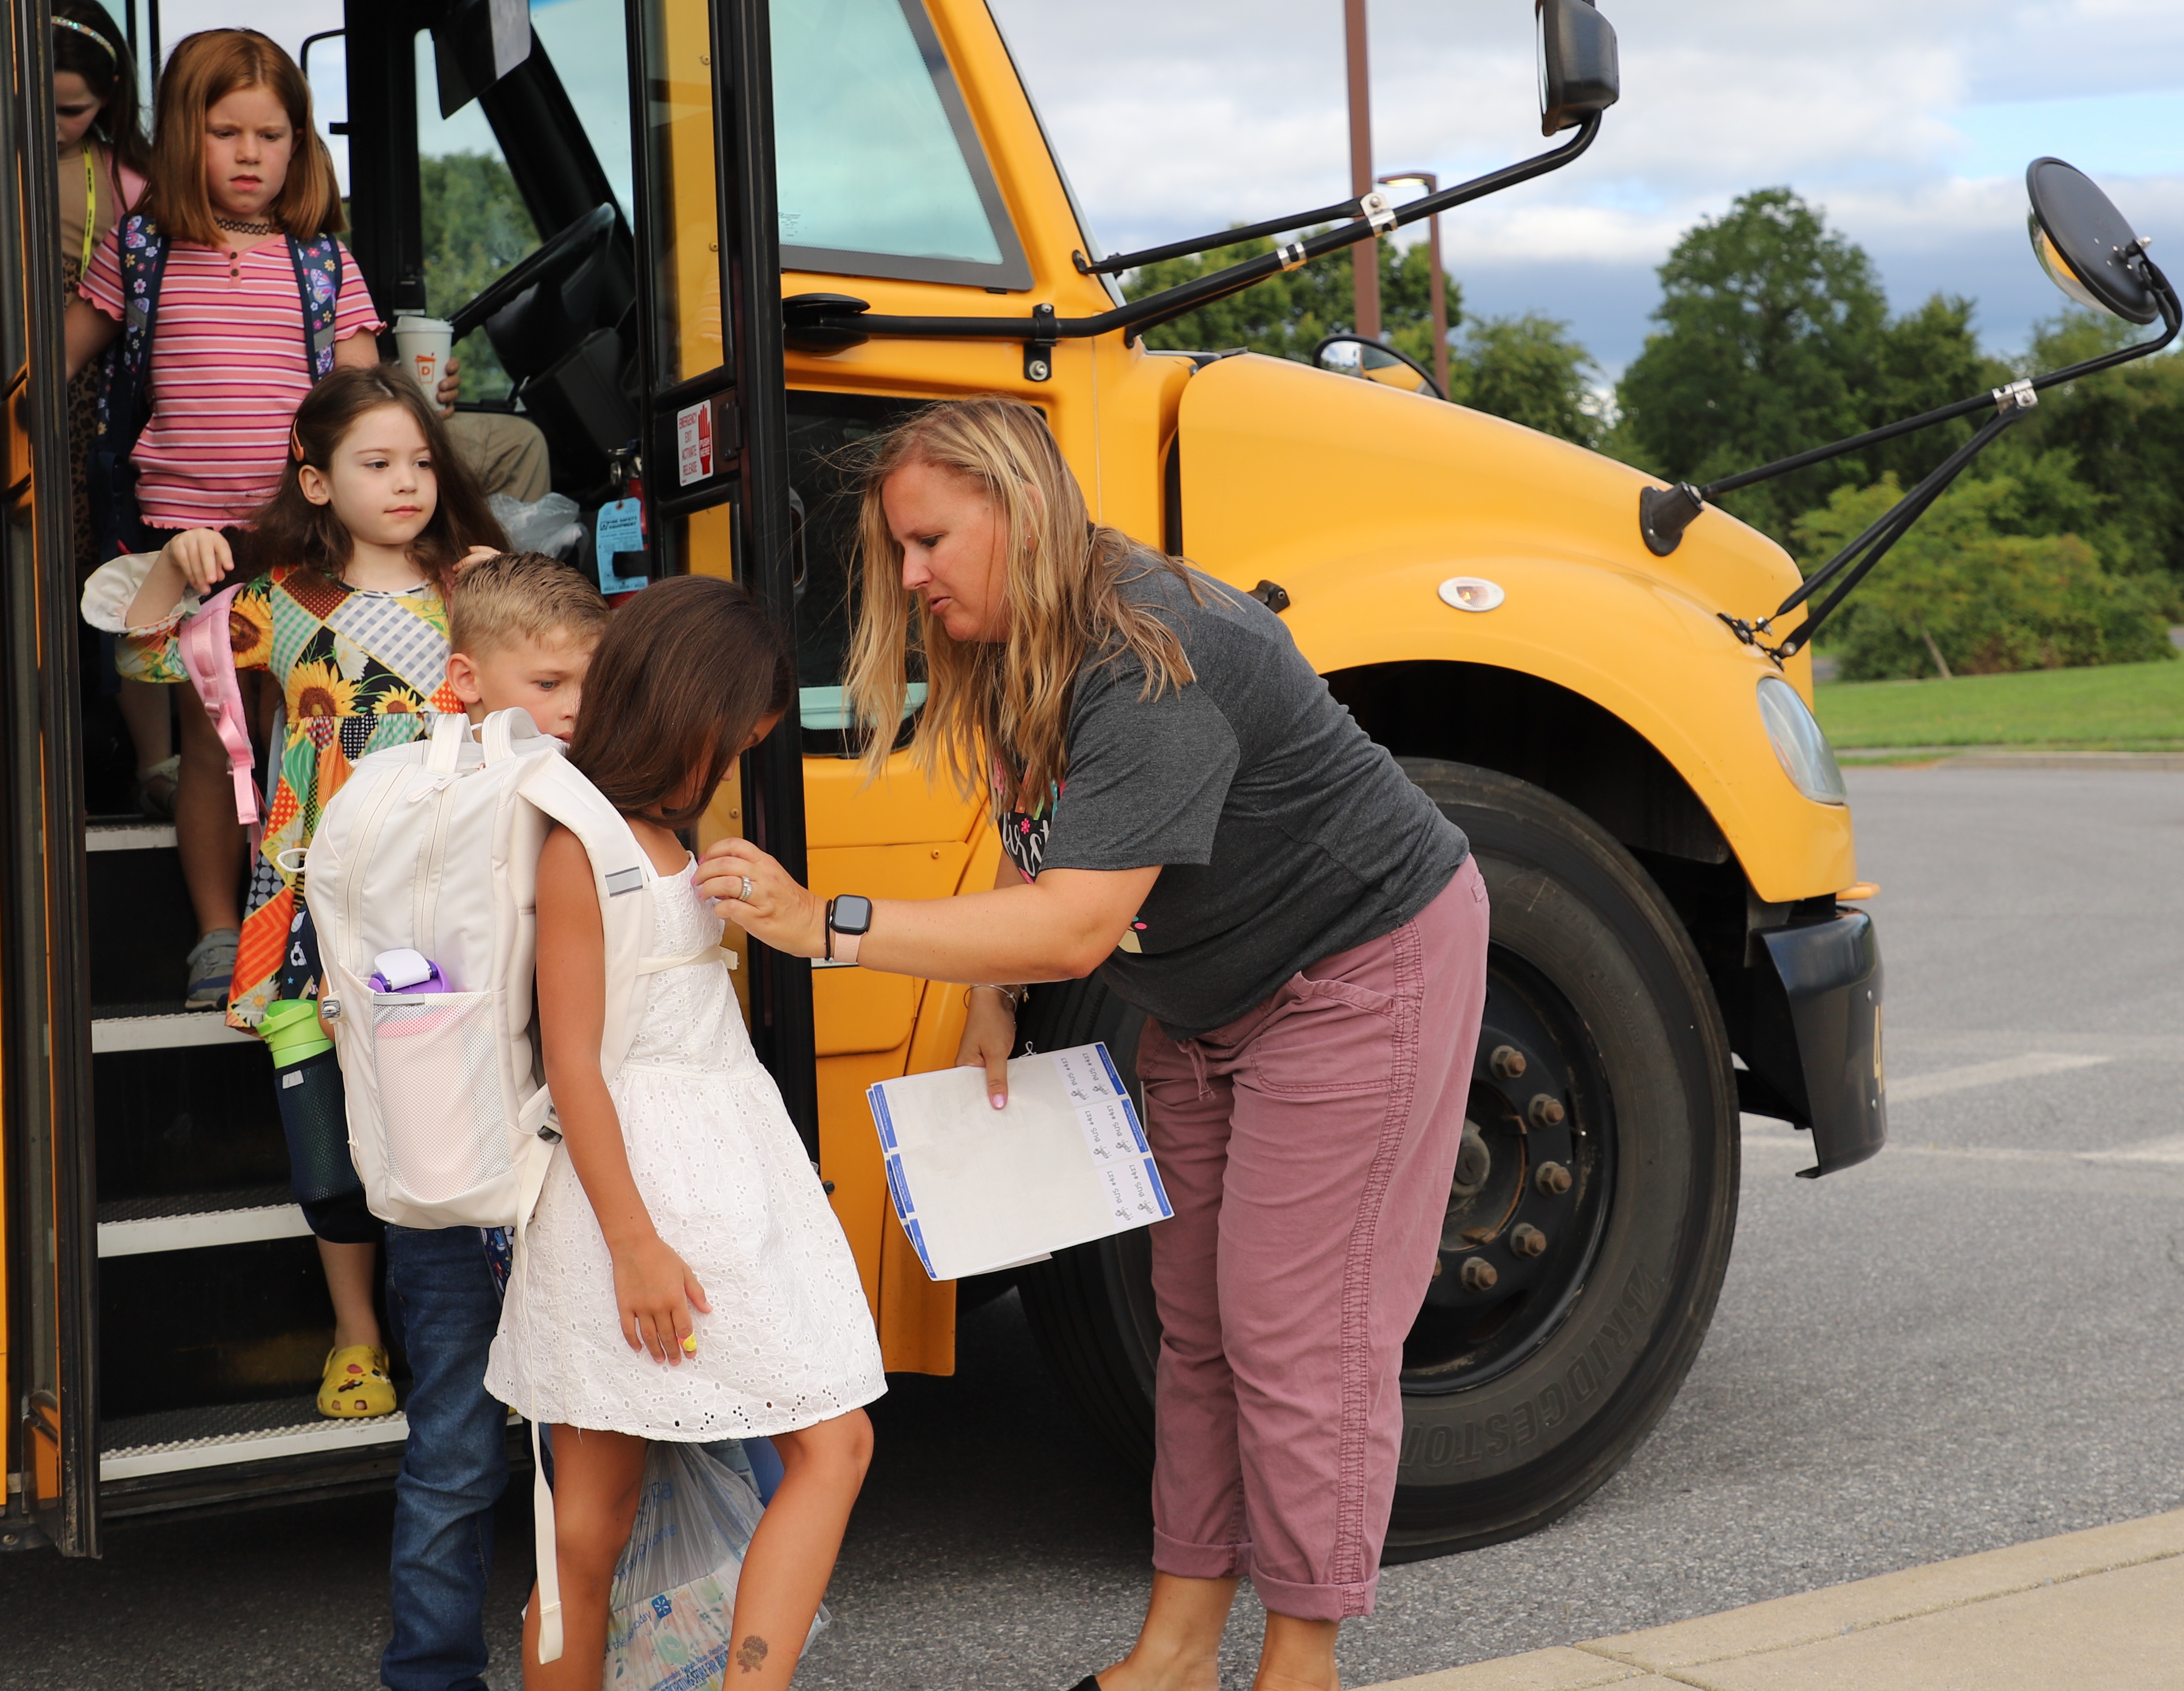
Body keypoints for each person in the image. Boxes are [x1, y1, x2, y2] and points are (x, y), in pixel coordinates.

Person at [695, 396, 1490, 1691]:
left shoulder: (1150, 653)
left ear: (1016, 510)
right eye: (897, 547)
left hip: (1356, 966)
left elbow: (1070, 927)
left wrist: (822, 925)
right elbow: (1038, 843)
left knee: (1297, 1337)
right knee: (1196, 1328)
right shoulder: (1022, 635)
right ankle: (1176, 1650)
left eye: (930, 541)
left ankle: (1300, 1664)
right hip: (1206, 996)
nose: (909, 575)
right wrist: (986, 990)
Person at [483, 577, 882, 1691]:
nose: (757, 738)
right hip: (659, 1197)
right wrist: (638, 1242)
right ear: (695, 707)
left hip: (684, 1183)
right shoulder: (591, 842)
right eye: (749, 718)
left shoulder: (642, 829)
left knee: (589, 1533)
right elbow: (576, 1062)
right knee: (825, 1444)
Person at [104, 365, 508, 1421]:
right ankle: (357, 1334)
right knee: (326, 1137)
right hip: (313, 908)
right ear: (317, 482)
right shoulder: (281, 600)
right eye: (377, 463)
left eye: (421, 461)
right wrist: (169, 565)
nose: (408, 482)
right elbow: (150, 660)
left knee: (465, 1111)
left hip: (450, 896)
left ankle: (499, 1330)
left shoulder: (476, 587)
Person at [64, 26, 393, 1011]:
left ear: (302, 145)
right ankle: (217, 929)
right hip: (186, 535)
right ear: (180, 139)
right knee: (214, 740)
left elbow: (369, 400)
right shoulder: (144, 248)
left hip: (300, 536)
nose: (252, 155)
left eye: (274, 133)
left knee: (305, 727)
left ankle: (293, 914)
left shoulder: (324, 264)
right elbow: (65, 352)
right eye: (225, 131)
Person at [379, 551, 607, 1691]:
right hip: (470, 1174)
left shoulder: (416, 795)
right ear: (464, 678)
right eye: (551, 683)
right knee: (462, 1445)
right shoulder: (435, 798)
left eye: (588, 689)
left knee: (544, 1441)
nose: (574, 711)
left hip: (487, 1162)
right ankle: (429, 1672)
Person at [50, 0, 172, 813]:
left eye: (73, 110)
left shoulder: (132, 182)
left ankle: (152, 762)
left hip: (98, 398)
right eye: (42, 106)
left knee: (113, 568)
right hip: (42, 378)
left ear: (111, 103)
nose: (55, 125)